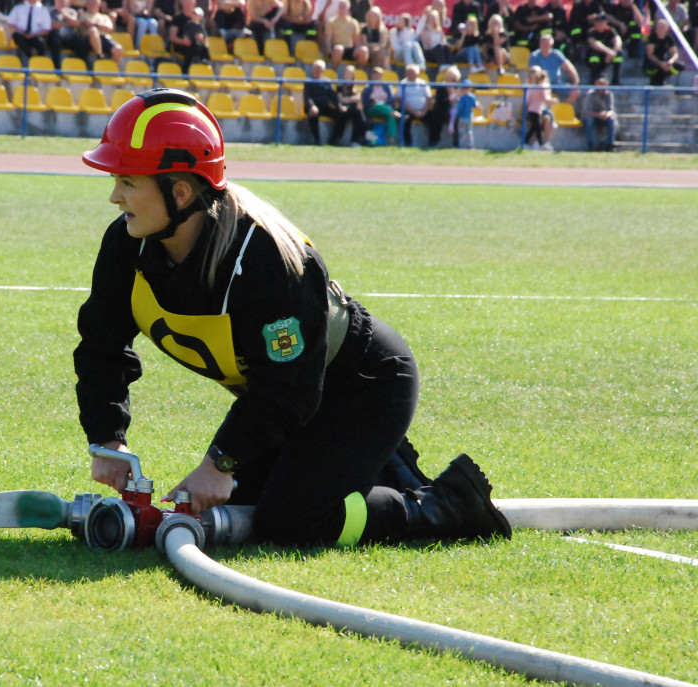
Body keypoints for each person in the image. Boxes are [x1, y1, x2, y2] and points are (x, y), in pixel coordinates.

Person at [76, 87, 513, 550]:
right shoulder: (126, 244)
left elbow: (289, 387)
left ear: (179, 192)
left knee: (291, 521)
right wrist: (108, 438)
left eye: (127, 182)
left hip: (362, 386)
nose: (114, 197)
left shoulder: (268, 259)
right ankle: (377, 469)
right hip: (283, 395)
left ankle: (444, 505)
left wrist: (220, 462)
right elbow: (101, 346)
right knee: (250, 502)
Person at [303, 59, 347, 145]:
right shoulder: (308, 81)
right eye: (315, 68)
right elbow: (307, 96)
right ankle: (317, 140)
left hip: (325, 107)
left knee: (342, 114)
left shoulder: (326, 81)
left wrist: (339, 105)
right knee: (313, 114)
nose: (317, 70)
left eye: (319, 68)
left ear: (323, 70)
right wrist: (312, 106)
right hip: (312, 107)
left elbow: (332, 95)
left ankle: (334, 140)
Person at [529, 32, 580, 104]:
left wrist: (576, 82)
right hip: (541, 85)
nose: (545, 46)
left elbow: (569, 67)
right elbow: (532, 73)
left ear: (551, 45)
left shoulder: (556, 54)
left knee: (575, 91)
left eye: (547, 44)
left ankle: (561, 109)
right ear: (540, 44)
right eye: (543, 43)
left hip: (556, 84)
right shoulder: (534, 56)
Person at [361, 65, 400, 145]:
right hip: (373, 109)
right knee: (379, 105)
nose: (376, 76)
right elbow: (366, 102)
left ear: (382, 76)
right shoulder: (368, 87)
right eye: (374, 74)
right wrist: (376, 103)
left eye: (378, 74)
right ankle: (394, 113)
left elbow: (391, 100)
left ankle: (392, 140)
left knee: (390, 115)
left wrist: (383, 104)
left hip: (386, 110)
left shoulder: (387, 87)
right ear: (371, 76)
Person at [398, 63, 433, 146]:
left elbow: (429, 98)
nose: (410, 74)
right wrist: (413, 111)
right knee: (405, 119)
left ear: (417, 73)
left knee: (435, 118)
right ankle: (407, 143)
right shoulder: (403, 83)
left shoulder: (423, 83)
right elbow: (400, 100)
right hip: (408, 110)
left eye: (412, 72)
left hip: (423, 110)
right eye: (408, 72)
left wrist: (424, 111)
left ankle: (433, 142)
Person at [169, 0, 210, 70]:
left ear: (194, 4)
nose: (187, 5)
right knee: (191, 48)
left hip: (195, 45)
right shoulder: (177, 18)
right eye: (186, 3)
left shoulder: (198, 21)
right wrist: (183, 41)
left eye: (189, 3)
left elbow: (205, 39)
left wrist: (202, 38)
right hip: (182, 45)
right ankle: (185, 70)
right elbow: (172, 37)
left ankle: (206, 65)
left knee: (202, 48)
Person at [323, 0, 362, 71]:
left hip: (349, 49)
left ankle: (360, 72)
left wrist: (358, 49)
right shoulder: (332, 22)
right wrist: (328, 49)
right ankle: (334, 71)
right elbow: (328, 39)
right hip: (336, 48)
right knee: (339, 49)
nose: (341, 8)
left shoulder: (353, 23)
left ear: (348, 8)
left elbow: (357, 41)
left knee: (363, 51)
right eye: (340, 7)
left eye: (343, 7)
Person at [524, 66, 556, 150]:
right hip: (535, 110)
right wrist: (554, 101)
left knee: (541, 123)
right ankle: (534, 143)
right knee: (535, 127)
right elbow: (545, 99)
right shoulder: (537, 87)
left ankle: (542, 143)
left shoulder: (542, 86)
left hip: (538, 110)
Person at [336, 63, 368, 146]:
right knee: (344, 114)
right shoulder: (340, 86)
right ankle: (366, 133)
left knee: (357, 113)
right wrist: (351, 99)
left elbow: (358, 98)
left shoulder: (355, 87)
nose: (347, 75)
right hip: (342, 108)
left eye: (349, 74)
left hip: (353, 109)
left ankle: (355, 140)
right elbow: (341, 99)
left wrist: (348, 100)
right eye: (346, 73)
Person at [645, 18, 683, 86]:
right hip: (654, 61)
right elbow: (650, 55)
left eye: (662, 27)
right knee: (652, 66)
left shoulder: (669, 38)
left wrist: (671, 61)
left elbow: (675, 53)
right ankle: (655, 81)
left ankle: (664, 78)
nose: (660, 29)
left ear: (666, 29)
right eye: (659, 27)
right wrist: (660, 63)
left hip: (665, 60)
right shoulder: (652, 38)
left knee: (680, 66)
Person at [587, 12, 622, 84]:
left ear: (606, 22)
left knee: (619, 54)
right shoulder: (592, 31)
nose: (599, 24)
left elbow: (618, 40)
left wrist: (614, 52)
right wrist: (608, 52)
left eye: (601, 22)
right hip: (596, 56)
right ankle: (593, 79)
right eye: (597, 22)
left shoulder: (610, 31)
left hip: (608, 57)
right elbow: (594, 44)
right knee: (594, 56)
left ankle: (616, 80)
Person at [582, 75, 616, 151]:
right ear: (596, 84)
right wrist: (598, 115)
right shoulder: (590, 94)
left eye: (603, 84)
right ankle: (591, 145)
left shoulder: (609, 94)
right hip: (593, 116)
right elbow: (586, 111)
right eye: (600, 84)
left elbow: (611, 109)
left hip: (603, 117)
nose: (601, 86)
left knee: (612, 119)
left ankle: (610, 145)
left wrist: (607, 114)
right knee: (589, 120)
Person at [449, 78, 477, 148]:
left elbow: (460, 108)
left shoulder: (462, 98)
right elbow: (474, 105)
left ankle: (461, 145)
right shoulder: (472, 96)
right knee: (469, 131)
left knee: (462, 132)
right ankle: (471, 144)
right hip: (469, 116)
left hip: (462, 117)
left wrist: (457, 114)